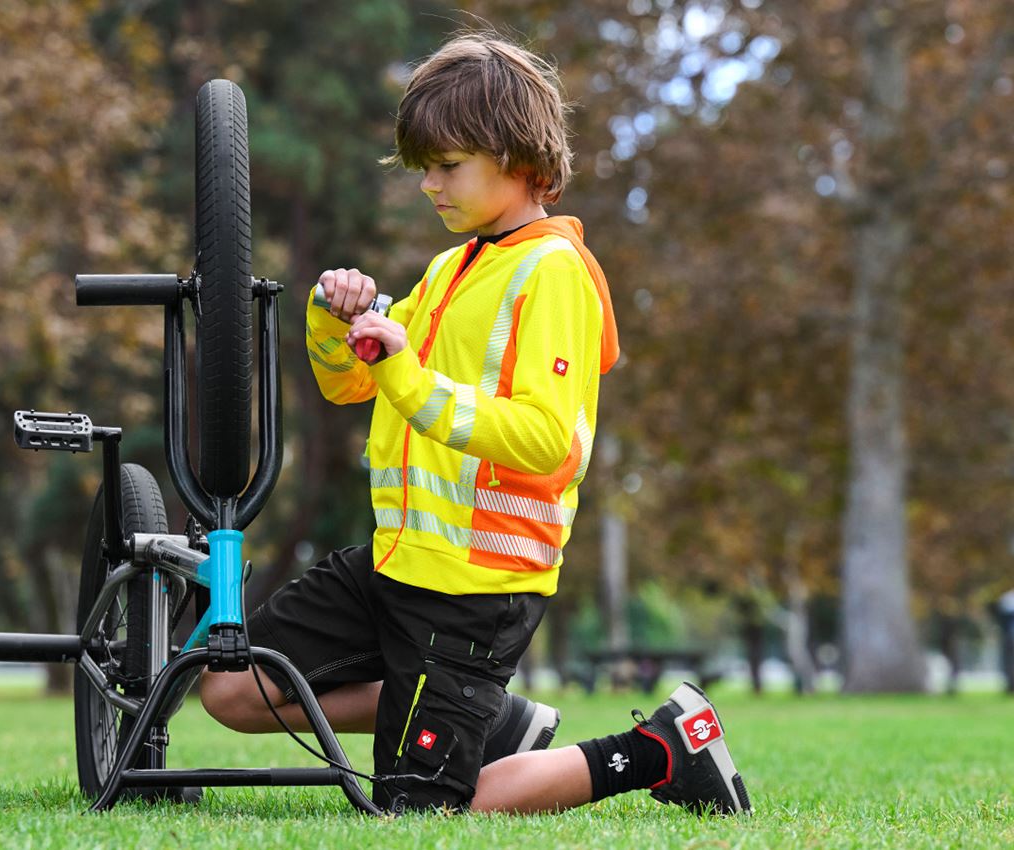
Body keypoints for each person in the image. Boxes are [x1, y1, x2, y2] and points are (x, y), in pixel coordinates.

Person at [201, 32, 750, 816]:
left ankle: (664, 747)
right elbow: (354, 383)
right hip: (396, 562)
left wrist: (406, 371)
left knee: (423, 813)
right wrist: (333, 320)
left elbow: (548, 442)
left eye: (447, 165)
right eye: (422, 166)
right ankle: (490, 716)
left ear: (517, 157)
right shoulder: (450, 268)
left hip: (473, 591)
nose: (430, 185)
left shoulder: (552, 273)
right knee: (230, 686)